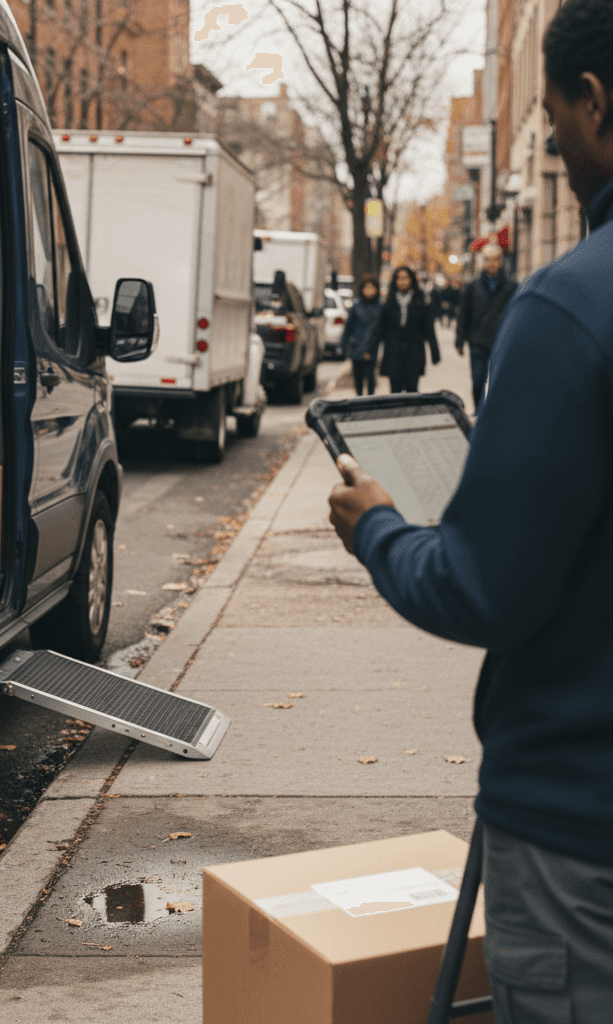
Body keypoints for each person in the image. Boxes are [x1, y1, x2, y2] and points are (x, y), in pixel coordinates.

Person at [326, 0, 613, 1017]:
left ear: (593, 101)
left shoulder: (569, 308)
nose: (561, 156)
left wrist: (378, 529)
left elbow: (481, 588)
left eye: (556, 124)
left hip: (580, 824)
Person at [455, 244, 518, 411]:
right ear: (483, 262)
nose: (491, 264)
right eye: (488, 260)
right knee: (477, 381)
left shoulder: (511, 286)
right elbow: (464, 314)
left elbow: (517, 313)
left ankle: (496, 414)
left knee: (499, 382)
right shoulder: (472, 287)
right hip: (478, 340)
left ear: (501, 262)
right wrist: (459, 340)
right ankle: (479, 412)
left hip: (502, 340)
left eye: (495, 260)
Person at [375, 265, 440, 393]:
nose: (402, 281)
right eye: (399, 278)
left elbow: (429, 329)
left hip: (414, 353)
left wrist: (435, 352)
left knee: (412, 391)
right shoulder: (388, 302)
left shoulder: (421, 301)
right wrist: (371, 350)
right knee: (395, 392)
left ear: (411, 280)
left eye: (405, 278)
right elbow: (379, 329)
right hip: (393, 353)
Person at [340, 274, 382, 395]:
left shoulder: (380, 307)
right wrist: (343, 346)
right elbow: (348, 328)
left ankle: (370, 401)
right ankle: (359, 399)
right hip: (356, 346)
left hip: (372, 347)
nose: (369, 291)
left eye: (372, 287)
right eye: (366, 287)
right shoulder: (356, 307)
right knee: (358, 378)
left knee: (371, 378)